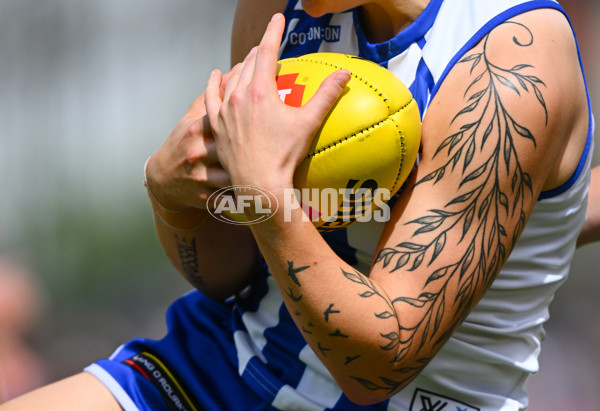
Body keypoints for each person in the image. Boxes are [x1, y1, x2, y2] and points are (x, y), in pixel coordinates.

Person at [1, 0, 593, 410]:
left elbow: (377, 364)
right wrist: (172, 198)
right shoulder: (280, 11)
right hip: (218, 369)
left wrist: (264, 193)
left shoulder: (511, 63)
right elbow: (224, 276)